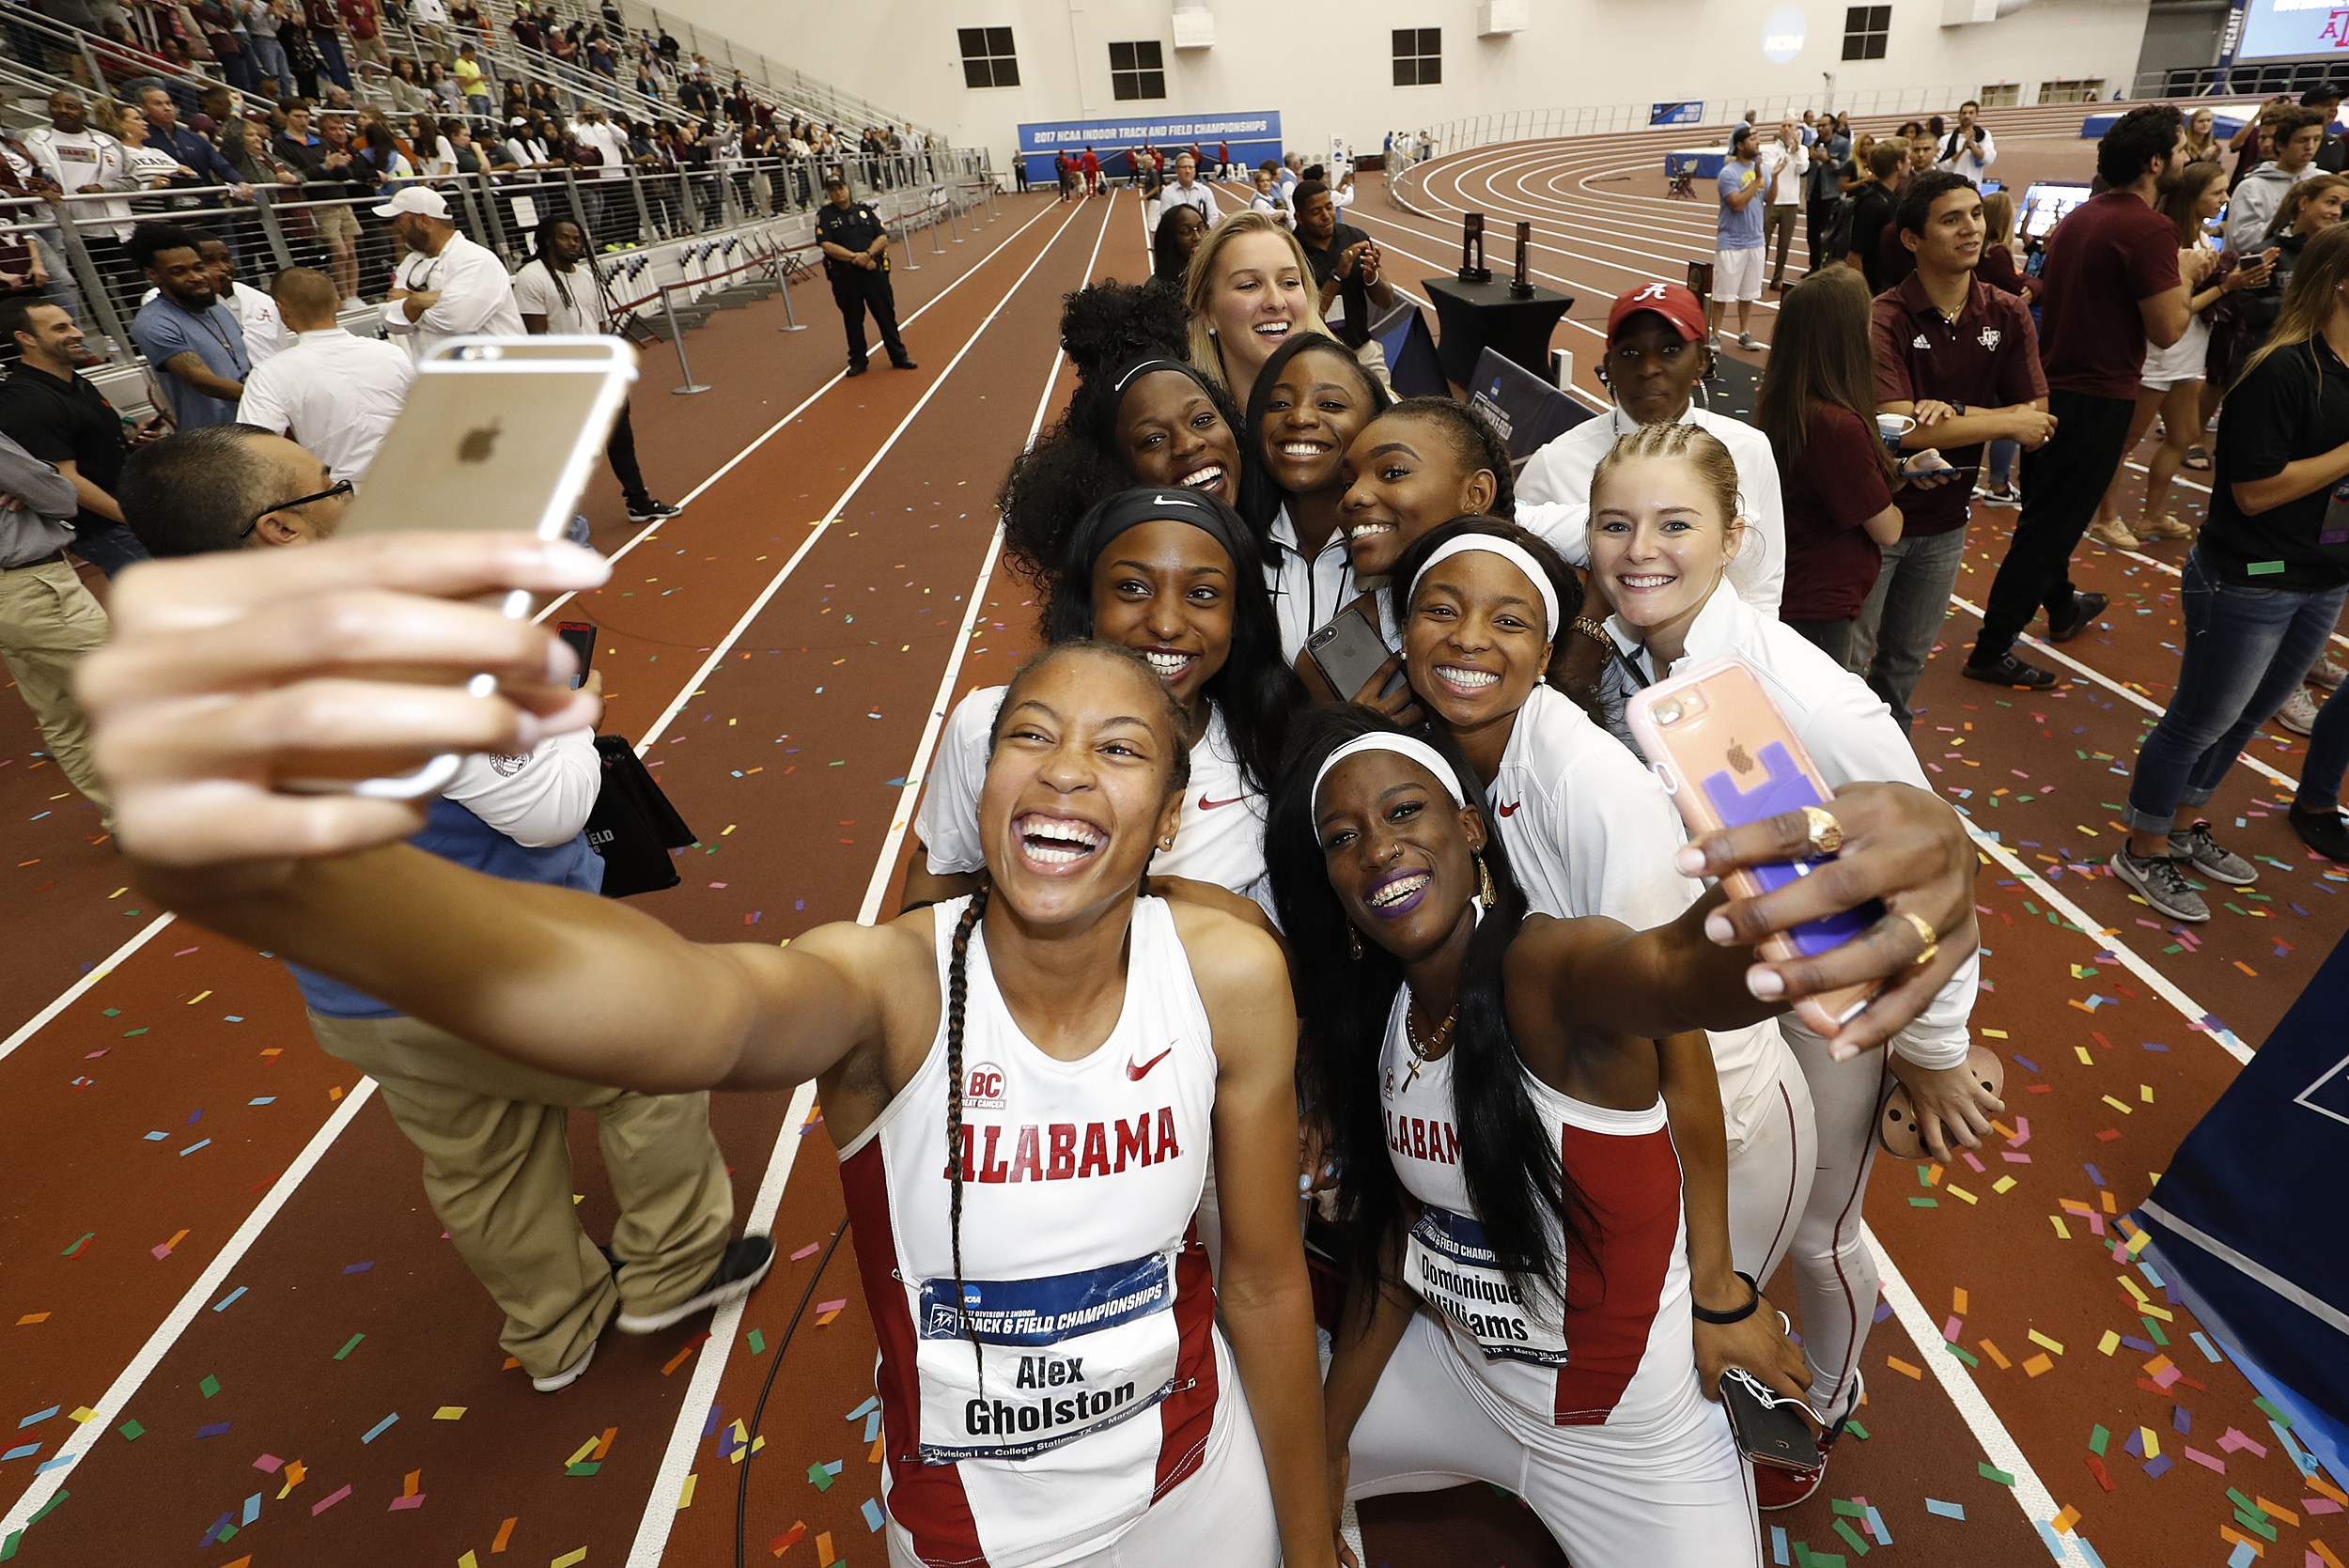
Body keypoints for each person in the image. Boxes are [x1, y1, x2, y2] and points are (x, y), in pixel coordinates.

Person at [87, 582, 1348, 1567]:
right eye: (1032, 734)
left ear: (1172, 813)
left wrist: (1304, 1541)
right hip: (981, 1532)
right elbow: (697, 1012)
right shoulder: (893, 987)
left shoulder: (1227, 977)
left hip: (1203, 1480)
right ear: (987, 779)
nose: (1069, 767)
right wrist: (311, 879)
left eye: (1121, 750)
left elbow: (1265, 1284)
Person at [113, 421, 771, 1394]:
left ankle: (554, 1332)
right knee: (656, 1064)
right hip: (499, 955)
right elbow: (549, 809)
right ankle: (673, 1266)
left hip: (355, 982)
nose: (348, 494)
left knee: (479, 1156)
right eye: (324, 484)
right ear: (278, 531)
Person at [1585, 420, 1989, 1505]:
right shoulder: (1635, 657)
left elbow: (1930, 855)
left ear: (1732, 537)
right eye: (1615, 523)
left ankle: (1834, 1389)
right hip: (1725, 1003)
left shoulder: (1804, 695)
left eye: (1674, 524)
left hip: (1828, 1011)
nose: (1639, 549)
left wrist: (1936, 1048)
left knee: (1819, 1228)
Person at [1382, 517, 1815, 1292]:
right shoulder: (1438, 751)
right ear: (1403, 629)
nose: (1468, 639)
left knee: (1714, 1359)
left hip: (1722, 1120)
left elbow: (1674, 1030)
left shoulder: (1584, 783)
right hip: (1608, 1109)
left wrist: (1714, 1281)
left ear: (1545, 655)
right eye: (1440, 610)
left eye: (1508, 621)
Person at [909, 488, 1303, 921]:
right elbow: (941, 871)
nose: (1167, 624)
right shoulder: (987, 727)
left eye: (1203, 594)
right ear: (1088, 603)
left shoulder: (1271, 748)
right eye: (1133, 588)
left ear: (1237, 618)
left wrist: (1217, 912)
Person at [2108, 223, 2349, 923]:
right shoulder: (2280, 370)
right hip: (2256, 572)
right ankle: (2144, 842)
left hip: (2320, 576)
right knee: (2200, 717)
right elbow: (2256, 490)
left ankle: (2182, 826)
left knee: (2244, 719)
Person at [1966, 105, 2199, 689]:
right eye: (2183, 148)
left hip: (2052, 386)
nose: (2191, 157)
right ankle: (1991, 648)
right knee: (2049, 529)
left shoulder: (2080, 217)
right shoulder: (2151, 230)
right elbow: (2168, 329)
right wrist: (2194, 273)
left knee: (2050, 514)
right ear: (2155, 161)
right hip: (2098, 396)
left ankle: (2064, 606)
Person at [1864, 173, 2055, 732]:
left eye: (1975, 214)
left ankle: (1887, 767)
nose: (1971, 228)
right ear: (1911, 240)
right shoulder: (1884, 316)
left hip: (1946, 523)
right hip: (1879, 518)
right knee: (1844, 668)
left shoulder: (2007, 313)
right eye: (1951, 219)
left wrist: (1952, 412)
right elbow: (1900, 429)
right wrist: (2003, 420)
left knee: (1902, 668)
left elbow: (2038, 422)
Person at [1517, 281, 1786, 615]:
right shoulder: (1554, 464)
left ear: (1702, 360)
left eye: (1670, 350)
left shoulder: (1749, 449)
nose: (1648, 369)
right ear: (1609, 363)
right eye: (1630, 353)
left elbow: (1762, 591)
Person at [1755, 267, 1942, 666]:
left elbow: (1831, 484)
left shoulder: (1788, 404)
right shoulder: (1836, 425)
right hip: (1819, 604)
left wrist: (1901, 468)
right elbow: (1888, 530)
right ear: (1845, 338)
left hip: (1795, 590)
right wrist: (1886, 490)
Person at [2086, 162, 2267, 551]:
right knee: (2125, 442)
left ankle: (2152, 514)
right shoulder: (2164, 240)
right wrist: (2225, 287)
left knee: (2184, 436)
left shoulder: (2202, 238)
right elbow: (2174, 308)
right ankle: (2106, 518)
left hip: (2188, 355)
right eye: (2216, 192)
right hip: (2157, 357)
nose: (2225, 199)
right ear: (2192, 196)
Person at [511, 218, 683, 522]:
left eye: (578, 239)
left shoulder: (586, 275)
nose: (574, 244)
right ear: (548, 240)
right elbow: (536, 337)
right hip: (564, 379)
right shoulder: (531, 277)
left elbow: (599, 324)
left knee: (621, 440)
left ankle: (638, 501)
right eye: (566, 238)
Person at [1236, 333, 1392, 660]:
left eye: (1331, 405)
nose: (1300, 417)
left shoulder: (1401, 547)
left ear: (1374, 426)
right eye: (1278, 404)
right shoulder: (1230, 545)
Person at [0, 412, 109, 811]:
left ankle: (124, 819)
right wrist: (35, 482)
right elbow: (61, 497)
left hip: (13, 599)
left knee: (61, 717)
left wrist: (32, 483)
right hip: (33, 587)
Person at [0, 298, 153, 578]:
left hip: (129, 509)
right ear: (26, 339)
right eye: (61, 328)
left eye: (72, 324)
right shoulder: (26, 401)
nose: (77, 333)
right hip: (104, 526)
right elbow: (65, 477)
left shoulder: (77, 382)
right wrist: (135, 520)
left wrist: (129, 440)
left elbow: (83, 444)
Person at [235, 266, 412, 484]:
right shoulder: (391, 353)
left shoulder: (271, 374)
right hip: (414, 480)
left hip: (345, 496)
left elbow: (256, 449)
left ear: (280, 310)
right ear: (338, 302)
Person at [1186, 211, 1331, 411]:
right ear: (1207, 313)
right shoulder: (1191, 436)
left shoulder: (1364, 410)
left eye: (1289, 282)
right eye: (1248, 285)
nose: (1276, 302)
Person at [376, 184, 523, 364]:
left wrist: (411, 304)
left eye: (399, 220)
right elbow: (390, 321)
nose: (394, 228)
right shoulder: (411, 262)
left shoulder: (476, 259)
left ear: (424, 221)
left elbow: (455, 320)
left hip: (493, 377)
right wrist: (422, 301)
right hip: (440, 379)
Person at [126, 222, 249, 431]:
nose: (196, 277)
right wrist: (266, 396)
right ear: (153, 275)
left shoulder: (217, 308)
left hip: (254, 423)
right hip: (213, 441)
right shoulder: (154, 322)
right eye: (179, 272)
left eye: (199, 267)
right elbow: (201, 380)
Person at [21, 91, 139, 305]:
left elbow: (133, 181)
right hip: (69, 231)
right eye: (56, 105)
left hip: (114, 230)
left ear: (83, 113)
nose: (63, 110)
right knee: (95, 295)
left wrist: (102, 187)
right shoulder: (30, 139)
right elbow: (22, 178)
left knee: (135, 286)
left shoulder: (108, 142)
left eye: (70, 106)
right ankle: (111, 337)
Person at [814, 176, 916, 378]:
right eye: (833, 190)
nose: (838, 193)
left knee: (886, 316)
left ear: (848, 188)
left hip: (873, 272)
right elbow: (826, 245)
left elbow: (882, 237)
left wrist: (868, 255)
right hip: (846, 277)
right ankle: (858, 361)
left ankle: (898, 356)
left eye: (841, 188)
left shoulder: (865, 211)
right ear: (829, 192)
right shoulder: (824, 216)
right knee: (852, 320)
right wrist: (855, 258)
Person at [1292, 181, 1394, 352]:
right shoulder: (1291, 252)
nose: (1326, 216)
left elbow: (1386, 301)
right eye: (1316, 212)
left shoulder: (1356, 237)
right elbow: (1310, 316)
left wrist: (1372, 278)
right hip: (1318, 355)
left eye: (1329, 207)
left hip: (1362, 349)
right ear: (1299, 218)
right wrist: (1338, 276)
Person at [2225, 105, 2326, 256]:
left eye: (2316, 139)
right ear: (2280, 145)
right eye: (2303, 140)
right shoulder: (2252, 187)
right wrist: (2297, 226)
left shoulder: (2325, 181)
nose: (2310, 147)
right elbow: (2241, 240)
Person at [1710, 125, 1765, 349]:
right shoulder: (1728, 174)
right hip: (1731, 241)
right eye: (1752, 139)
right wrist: (1757, 179)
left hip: (1756, 240)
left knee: (1749, 292)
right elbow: (1738, 204)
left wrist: (1775, 176)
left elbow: (1769, 197)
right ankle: (1715, 334)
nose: (1757, 142)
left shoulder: (1764, 170)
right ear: (1741, 145)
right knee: (1722, 293)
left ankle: (1744, 331)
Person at [1844, 141, 1901, 295]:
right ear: (1898, 165)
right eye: (1908, 158)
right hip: (1874, 287)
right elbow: (1854, 256)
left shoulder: (1888, 198)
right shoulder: (1873, 204)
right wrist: (1865, 296)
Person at [1760, 118, 1806, 292]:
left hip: (1791, 202)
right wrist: (1788, 154)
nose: (1787, 129)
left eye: (1790, 126)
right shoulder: (1770, 150)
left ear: (1796, 129)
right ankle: (1757, 277)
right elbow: (1771, 169)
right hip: (1772, 201)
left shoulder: (1802, 150)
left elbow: (1803, 168)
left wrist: (1797, 149)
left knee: (1784, 245)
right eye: (1784, 126)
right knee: (1763, 242)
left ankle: (1777, 278)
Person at [1934, 101, 1996, 182]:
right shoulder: (1946, 140)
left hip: (1973, 185)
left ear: (1977, 115)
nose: (1967, 116)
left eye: (1971, 113)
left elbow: (1988, 159)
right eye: (1964, 113)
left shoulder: (1984, 136)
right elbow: (1941, 166)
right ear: (1959, 116)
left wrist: (1972, 146)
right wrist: (1962, 151)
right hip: (1951, 185)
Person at [1151, 202, 1208, 290]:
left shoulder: (1216, 275)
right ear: (1169, 238)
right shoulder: (1156, 288)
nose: (1197, 237)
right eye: (1185, 231)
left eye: (1201, 228)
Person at [1162, 151, 1220, 223]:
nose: (1187, 171)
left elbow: (1213, 216)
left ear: (1195, 170)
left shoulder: (1205, 191)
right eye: (1184, 167)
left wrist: (1202, 231)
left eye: (1190, 167)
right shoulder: (1168, 193)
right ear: (1177, 170)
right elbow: (1165, 219)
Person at [1248, 165, 1291, 229]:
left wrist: (1284, 212)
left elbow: (1288, 214)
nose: (1265, 183)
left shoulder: (1271, 198)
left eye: (1268, 180)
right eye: (1262, 181)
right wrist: (1284, 212)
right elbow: (1274, 215)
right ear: (1257, 183)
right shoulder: (1258, 201)